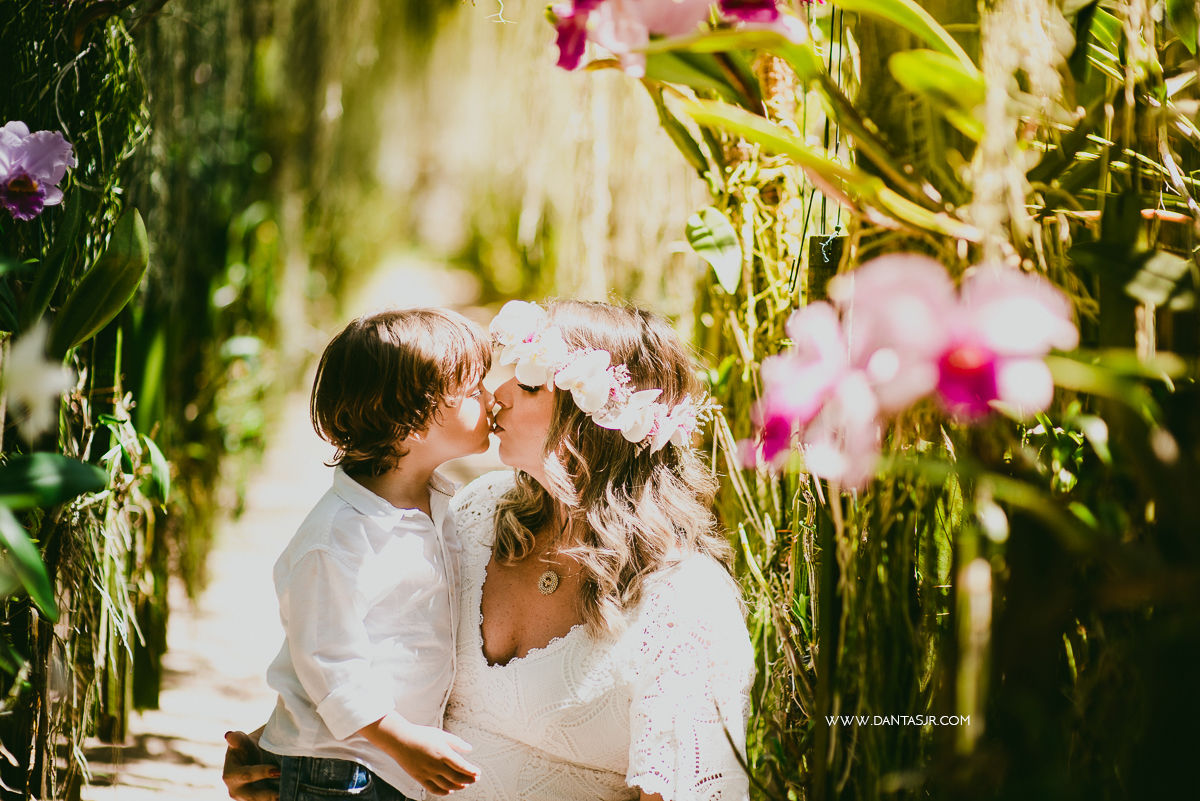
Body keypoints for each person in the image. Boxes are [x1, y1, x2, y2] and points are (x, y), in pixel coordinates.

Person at [225, 299, 755, 801]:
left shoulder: (687, 607)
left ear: (589, 420)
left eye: (526, 384)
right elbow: (369, 640)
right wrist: (292, 747)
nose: (495, 394)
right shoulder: (475, 516)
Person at [249, 308, 493, 801]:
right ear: (414, 419)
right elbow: (329, 661)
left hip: (385, 763)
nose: (492, 397)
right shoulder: (338, 537)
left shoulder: (438, 505)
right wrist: (401, 739)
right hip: (340, 768)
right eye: (474, 391)